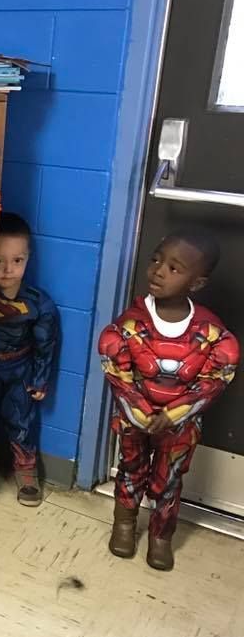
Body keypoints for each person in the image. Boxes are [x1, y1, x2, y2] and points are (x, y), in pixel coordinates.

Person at [99, 230, 239, 571]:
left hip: (180, 425)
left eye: (174, 268)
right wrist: (143, 412)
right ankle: (125, 523)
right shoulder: (129, 325)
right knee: (131, 470)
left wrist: (175, 413)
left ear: (197, 282)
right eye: (156, 260)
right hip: (136, 419)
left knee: (170, 477)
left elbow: (215, 377)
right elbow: (119, 373)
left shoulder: (210, 332)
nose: (159, 271)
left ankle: (161, 535)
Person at [0, 213, 58, 506]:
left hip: (19, 368)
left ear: (28, 259)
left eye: (17, 260)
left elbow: (45, 344)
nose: (7, 270)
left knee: (21, 419)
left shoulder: (39, 303)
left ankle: (25, 471)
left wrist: (40, 379)